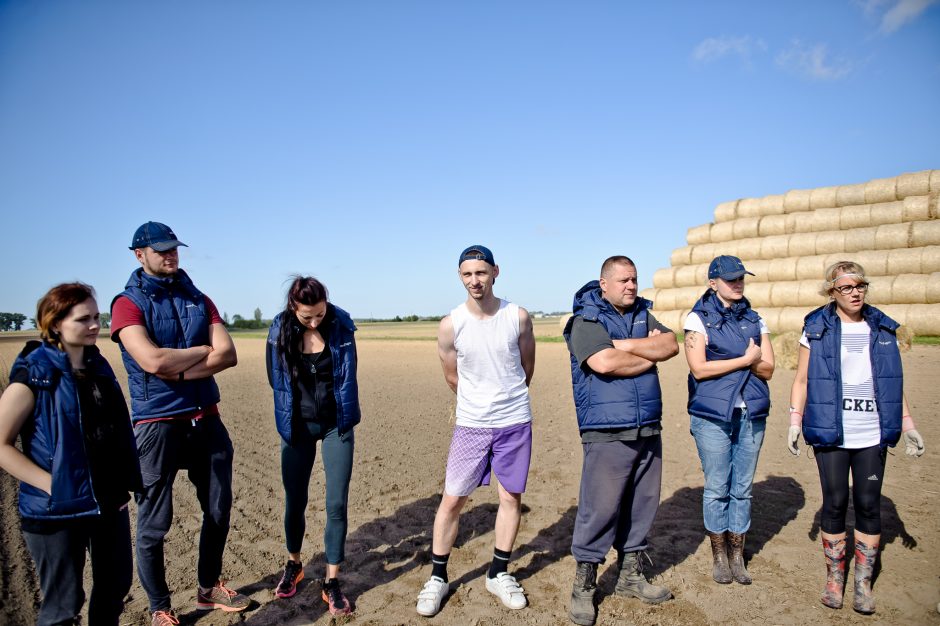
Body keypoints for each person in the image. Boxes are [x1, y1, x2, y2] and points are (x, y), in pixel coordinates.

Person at [110, 222, 247, 626]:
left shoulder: (198, 298)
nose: (171, 255)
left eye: (174, 249)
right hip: (157, 424)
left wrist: (183, 367)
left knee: (218, 509)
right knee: (155, 522)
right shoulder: (127, 304)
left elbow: (227, 353)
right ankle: (160, 607)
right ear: (140, 255)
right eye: (161, 250)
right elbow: (151, 362)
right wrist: (200, 352)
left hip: (206, 419)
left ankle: (208, 590)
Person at [787, 261, 925, 614]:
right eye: (846, 288)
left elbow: (892, 384)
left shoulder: (881, 328)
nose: (855, 293)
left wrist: (908, 425)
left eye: (860, 286)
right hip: (831, 431)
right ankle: (835, 579)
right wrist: (794, 421)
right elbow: (801, 379)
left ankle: (862, 583)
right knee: (834, 503)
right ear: (832, 291)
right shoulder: (815, 328)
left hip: (871, 433)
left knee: (867, 504)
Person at [0, 283, 142, 626]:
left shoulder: (99, 367)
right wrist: (53, 485)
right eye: (83, 319)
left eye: (96, 317)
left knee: (114, 588)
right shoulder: (35, 373)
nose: (95, 325)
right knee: (63, 605)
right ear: (55, 323)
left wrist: (122, 484)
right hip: (55, 512)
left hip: (107, 503)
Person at [415, 245, 536, 617]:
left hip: (514, 421)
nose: (475, 281)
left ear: (495, 272)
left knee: (510, 498)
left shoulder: (518, 317)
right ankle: (438, 578)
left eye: (481, 273)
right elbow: (452, 377)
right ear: (459, 276)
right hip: (471, 425)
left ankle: (498, 572)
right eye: (467, 274)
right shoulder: (451, 324)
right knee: (452, 500)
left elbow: (526, 369)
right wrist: (479, 404)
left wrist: (505, 402)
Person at [563, 256, 679, 626]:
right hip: (607, 430)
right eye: (624, 280)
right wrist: (647, 352)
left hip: (647, 425)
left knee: (642, 506)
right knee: (600, 509)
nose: (632, 286)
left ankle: (630, 575)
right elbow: (605, 364)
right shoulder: (585, 320)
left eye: (635, 280)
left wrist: (626, 345)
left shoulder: (645, 314)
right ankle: (584, 586)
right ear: (604, 284)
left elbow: (672, 345)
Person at [266, 276, 360, 616]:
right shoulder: (278, 333)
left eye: (319, 314)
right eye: (307, 317)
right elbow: (275, 380)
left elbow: (349, 375)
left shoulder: (341, 327)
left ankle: (332, 582)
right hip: (298, 428)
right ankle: (294, 565)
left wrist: (344, 419)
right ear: (294, 308)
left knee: (336, 503)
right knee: (296, 500)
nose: (315, 321)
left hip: (337, 425)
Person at [683, 255, 774, 586]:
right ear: (713, 283)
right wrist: (747, 358)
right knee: (717, 486)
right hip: (712, 415)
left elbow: (769, 368)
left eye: (741, 278)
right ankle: (719, 557)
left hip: (751, 411)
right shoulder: (697, 319)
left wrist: (733, 359)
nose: (738, 283)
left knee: (743, 488)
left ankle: (738, 555)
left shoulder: (754, 319)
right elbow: (699, 368)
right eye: (731, 279)